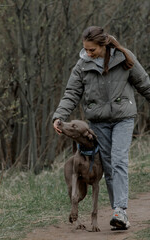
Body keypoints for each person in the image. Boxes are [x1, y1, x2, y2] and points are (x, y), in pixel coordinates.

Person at [52, 26, 150, 230]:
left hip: (123, 118)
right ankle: (118, 211)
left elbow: (144, 84)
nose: (88, 53)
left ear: (103, 45)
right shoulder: (82, 66)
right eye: (85, 49)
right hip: (98, 123)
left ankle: (120, 211)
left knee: (119, 159)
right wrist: (59, 116)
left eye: (92, 50)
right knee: (108, 164)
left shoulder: (124, 58)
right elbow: (71, 93)